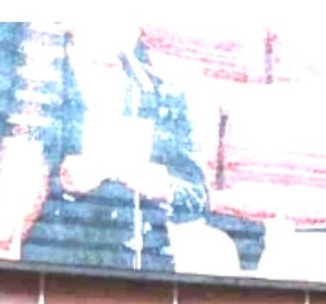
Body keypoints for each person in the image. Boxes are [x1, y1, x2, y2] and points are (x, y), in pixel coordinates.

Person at [20, 23, 208, 272]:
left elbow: (198, 197)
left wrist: (163, 187)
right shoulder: (37, 83)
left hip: (139, 264)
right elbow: (9, 179)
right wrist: (60, 181)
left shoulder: (165, 93)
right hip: (55, 259)